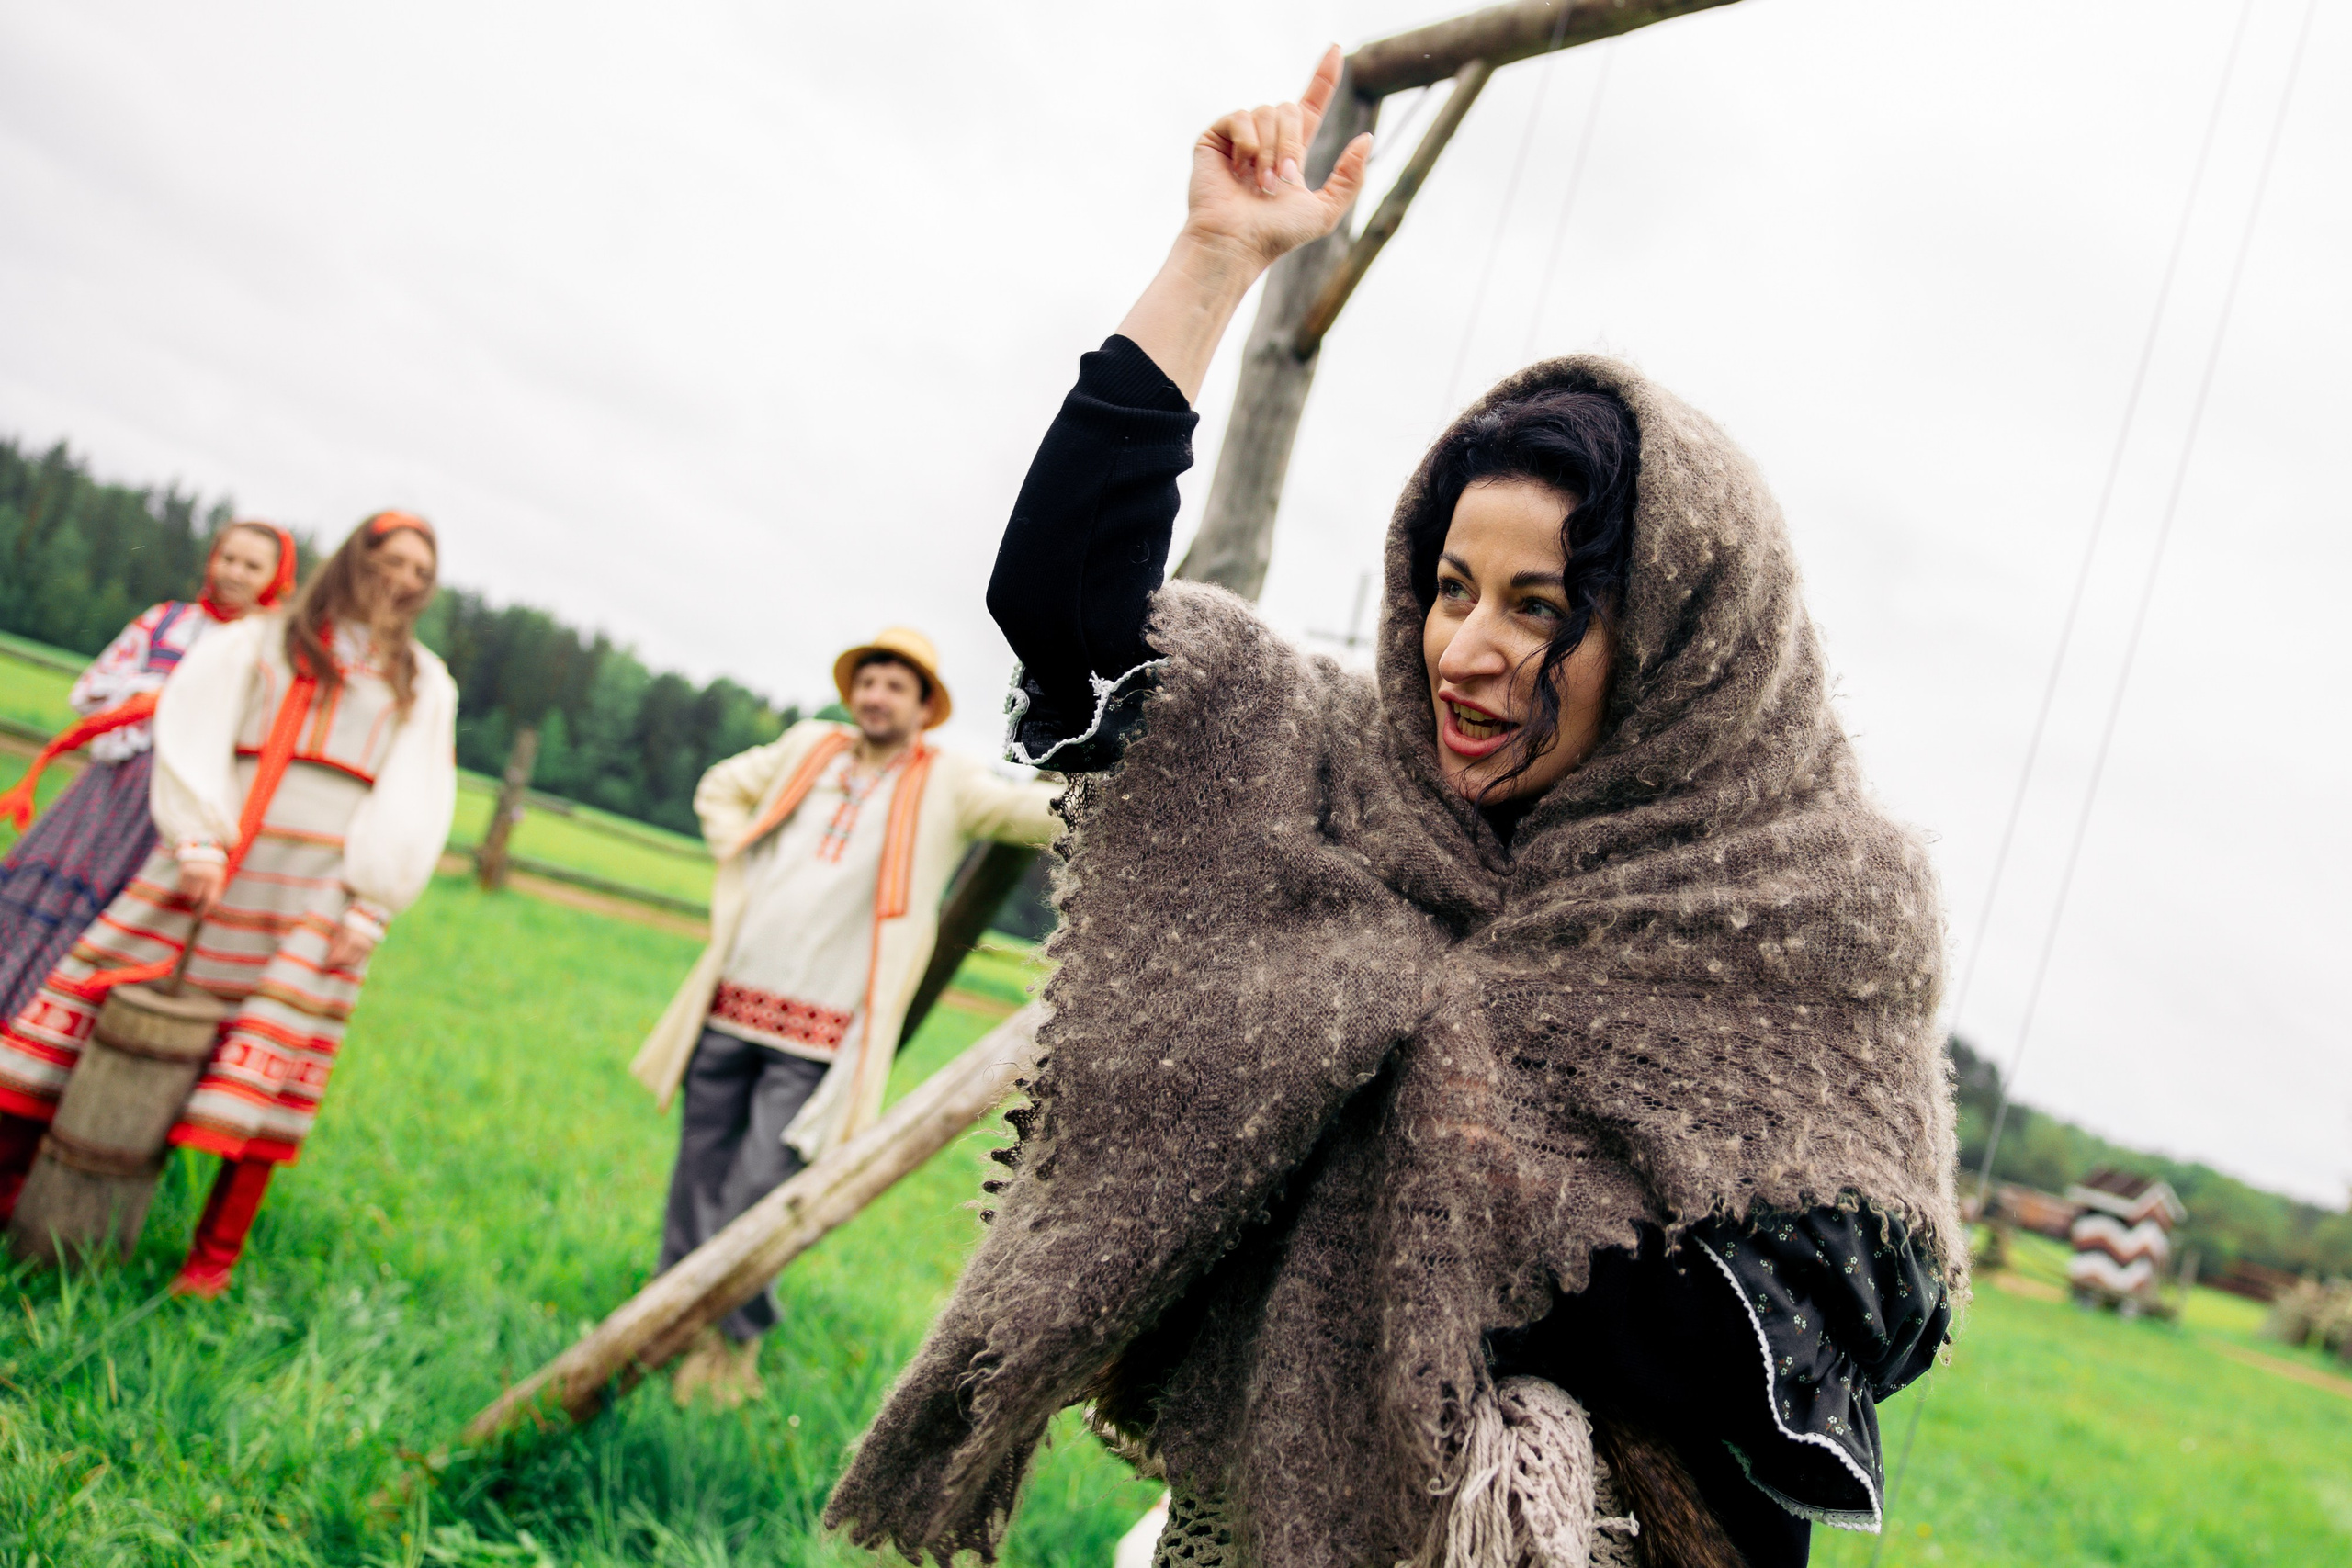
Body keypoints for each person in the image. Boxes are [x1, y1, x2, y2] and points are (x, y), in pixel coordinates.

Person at [826, 51, 1961, 1568]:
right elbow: (1065, 610)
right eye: (1448, 588)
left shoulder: (1823, 899)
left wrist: (1433, 1122)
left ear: (1684, 635)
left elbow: (1840, 1310)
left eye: (1540, 605)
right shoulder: (1343, 786)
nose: (1469, 651)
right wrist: (1212, 261)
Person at [0, 512, 456, 1297]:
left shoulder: (423, 679)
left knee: (275, 1059)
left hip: (318, 889)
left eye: (422, 569)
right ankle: (12, 1184)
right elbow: (194, 723)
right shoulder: (265, 639)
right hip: (219, 856)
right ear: (358, 557)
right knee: (87, 1008)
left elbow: (417, 793)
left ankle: (210, 1260)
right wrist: (199, 836)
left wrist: (371, 902)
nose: (405, 579)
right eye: (394, 560)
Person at [631, 627, 1060, 1409]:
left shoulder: (946, 782)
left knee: (762, 1189)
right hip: (733, 1001)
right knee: (697, 1174)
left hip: (821, 1029)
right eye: (869, 681)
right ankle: (662, 1329)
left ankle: (733, 1344)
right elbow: (721, 786)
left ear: (924, 705)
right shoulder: (808, 750)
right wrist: (743, 856)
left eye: (897, 685)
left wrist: (1130, 786)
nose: (877, 696)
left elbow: (1031, 812)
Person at [0, 520, 297, 1021]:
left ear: (276, 577)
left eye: (252, 566)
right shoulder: (166, 622)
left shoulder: (268, 652)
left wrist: (177, 704)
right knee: (49, 889)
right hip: (114, 786)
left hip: (179, 805)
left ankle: (55, 1030)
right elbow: (90, 689)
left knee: (122, 915)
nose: (235, 573)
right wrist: (149, 696)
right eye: (228, 559)